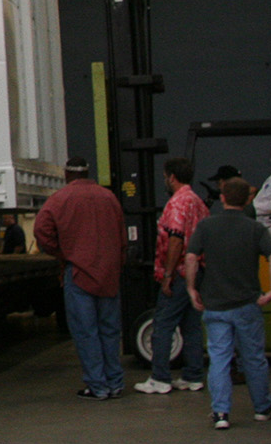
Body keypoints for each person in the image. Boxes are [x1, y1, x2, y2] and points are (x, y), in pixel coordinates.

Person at [184, 177, 271, 429]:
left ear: (223, 197)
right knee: (253, 358)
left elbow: (192, 257)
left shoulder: (206, 227)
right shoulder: (256, 229)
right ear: (248, 199)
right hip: (247, 304)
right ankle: (262, 408)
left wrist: (192, 288)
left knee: (219, 358)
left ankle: (220, 413)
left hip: (216, 305)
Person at [35, 156, 127, 400]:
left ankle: (97, 386)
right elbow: (122, 237)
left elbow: (41, 231)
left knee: (87, 333)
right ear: (88, 173)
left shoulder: (59, 199)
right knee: (109, 331)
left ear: (67, 175)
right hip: (108, 274)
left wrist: (62, 252)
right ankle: (116, 383)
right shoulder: (109, 198)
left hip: (78, 273)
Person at [134, 157, 208, 395]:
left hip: (178, 273)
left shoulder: (176, 203)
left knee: (163, 324)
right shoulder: (197, 202)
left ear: (172, 177)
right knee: (192, 325)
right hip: (198, 271)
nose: (164, 181)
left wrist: (167, 275)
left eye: (165, 177)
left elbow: (175, 238)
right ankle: (194, 376)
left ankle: (160, 378)